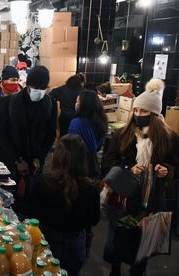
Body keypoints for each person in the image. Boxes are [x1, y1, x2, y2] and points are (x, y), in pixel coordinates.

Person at [101, 79, 179, 276]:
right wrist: (127, 169)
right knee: (115, 239)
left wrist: (167, 171)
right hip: (121, 198)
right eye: (136, 111)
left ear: (154, 114)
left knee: (143, 244)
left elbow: (176, 167)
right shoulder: (122, 135)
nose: (138, 115)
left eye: (143, 112)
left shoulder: (169, 138)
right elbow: (108, 164)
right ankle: (115, 269)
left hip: (151, 201)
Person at [29, 134, 100, 276]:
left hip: (46, 240)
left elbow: (33, 213)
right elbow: (94, 219)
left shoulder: (43, 182)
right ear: (83, 158)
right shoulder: (91, 188)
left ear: (57, 155)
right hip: (75, 244)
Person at [0, 66, 57, 178]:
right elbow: (2, 133)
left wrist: (39, 157)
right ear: (28, 85)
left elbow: (51, 134)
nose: (39, 91)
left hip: (36, 165)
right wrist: (17, 160)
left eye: (43, 88)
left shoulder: (50, 104)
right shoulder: (9, 103)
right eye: (35, 87)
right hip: (12, 164)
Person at [69, 90, 108, 179]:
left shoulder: (76, 123)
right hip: (93, 167)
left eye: (77, 102)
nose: (76, 104)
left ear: (84, 105)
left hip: (78, 166)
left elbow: (72, 148)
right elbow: (98, 147)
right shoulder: (102, 121)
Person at [50, 73, 85, 137]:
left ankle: (62, 146)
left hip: (64, 115)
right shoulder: (82, 91)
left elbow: (51, 94)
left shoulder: (63, 88)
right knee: (75, 137)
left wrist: (59, 99)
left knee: (63, 135)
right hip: (77, 117)